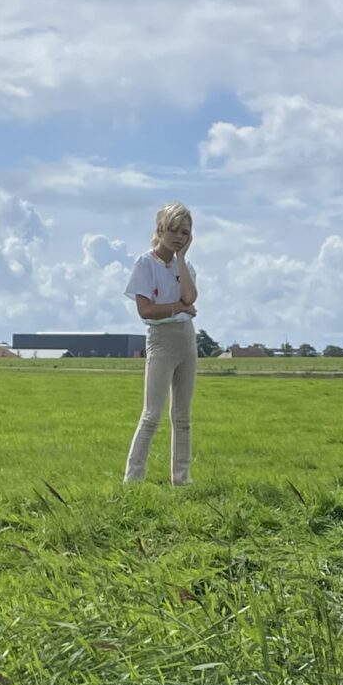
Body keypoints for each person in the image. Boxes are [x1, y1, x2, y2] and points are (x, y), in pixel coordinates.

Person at [122, 201, 197, 485]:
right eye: (173, 230)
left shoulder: (186, 266)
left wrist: (181, 259)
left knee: (183, 416)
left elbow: (190, 298)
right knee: (152, 414)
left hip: (186, 338)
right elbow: (146, 310)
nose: (178, 236)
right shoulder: (145, 263)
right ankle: (133, 481)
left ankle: (182, 480)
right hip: (161, 340)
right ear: (160, 229)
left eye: (185, 232)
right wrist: (177, 307)